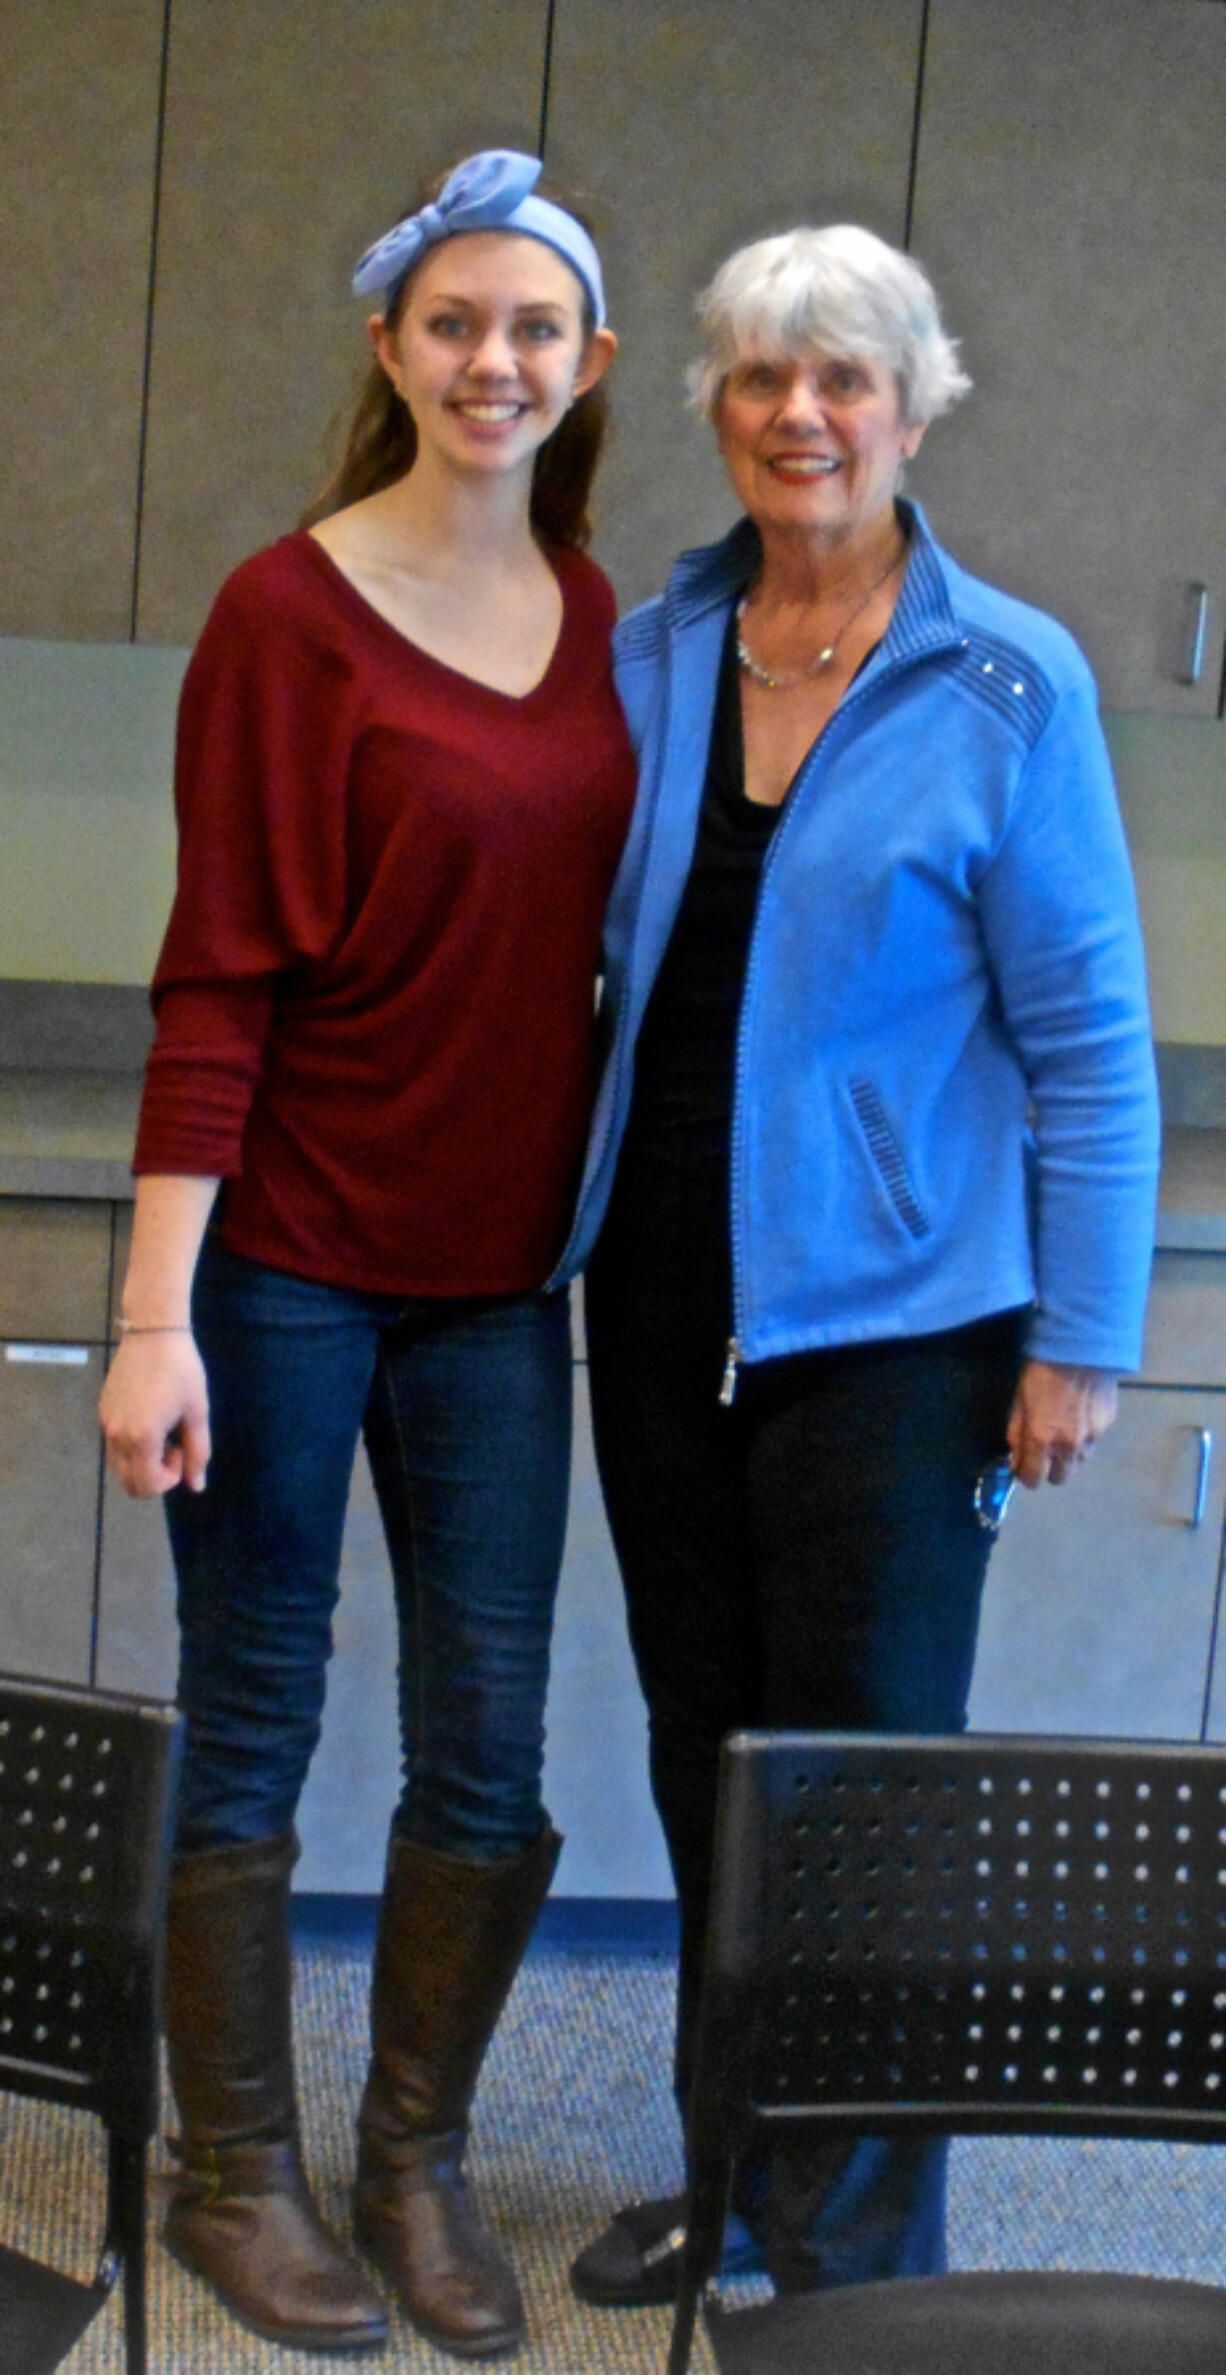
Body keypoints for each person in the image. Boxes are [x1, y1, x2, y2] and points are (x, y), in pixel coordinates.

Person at [557, 222, 1160, 2304]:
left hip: (903, 1329)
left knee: (866, 1789)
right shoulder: (655, 652)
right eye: (757, 380)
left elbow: (1087, 1035)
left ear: (911, 412)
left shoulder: (1007, 681)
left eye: (844, 382)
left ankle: (862, 2255)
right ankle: (731, 2177)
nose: (798, 417)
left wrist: (1081, 1335)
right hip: (653, 1306)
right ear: (713, 408)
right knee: (704, 1759)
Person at [99, 149, 629, 2361]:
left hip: (501, 1287)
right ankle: (238, 2173)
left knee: (490, 1751)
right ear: (393, 349)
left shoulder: (617, 625)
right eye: (453, 324)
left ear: (588, 367)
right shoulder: (281, 612)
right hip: (290, 1264)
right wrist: (152, 1317)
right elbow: (218, 977)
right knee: (256, 1724)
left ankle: (410, 2160)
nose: (491, 361)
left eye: (534, 330)